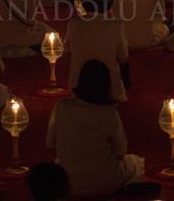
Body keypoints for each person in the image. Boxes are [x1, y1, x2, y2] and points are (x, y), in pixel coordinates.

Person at [47, 60, 145, 196]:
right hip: (103, 183)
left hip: (67, 183)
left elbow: (50, 143)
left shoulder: (61, 107)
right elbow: (120, 152)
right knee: (136, 162)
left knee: (58, 162)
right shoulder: (108, 112)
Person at [64, 0, 128, 102]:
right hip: (110, 89)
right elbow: (123, 58)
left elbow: (66, 54)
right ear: (109, 2)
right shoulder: (116, 25)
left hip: (78, 88)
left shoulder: (74, 24)